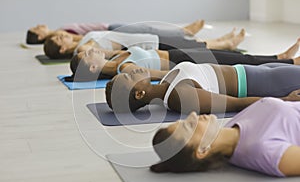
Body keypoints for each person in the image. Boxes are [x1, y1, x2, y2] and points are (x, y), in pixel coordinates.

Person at [105, 52, 300, 114]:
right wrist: (284, 100)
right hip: (265, 84)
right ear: (139, 94)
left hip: (257, 71)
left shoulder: (165, 82)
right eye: (130, 78)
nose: (133, 72)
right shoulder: (178, 97)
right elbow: (232, 104)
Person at [150, 97, 300, 177]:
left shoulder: (232, 126)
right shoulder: (262, 150)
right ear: (202, 150)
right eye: (190, 126)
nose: (193, 115)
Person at [68, 38, 300, 82]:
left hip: (181, 54)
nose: (91, 50)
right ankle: (290, 62)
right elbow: (160, 75)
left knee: (239, 57)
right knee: (243, 62)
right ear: (92, 66)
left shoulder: (118, 57)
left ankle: (282, 57)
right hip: (187, 62)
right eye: (87, 54)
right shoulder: (124, 67)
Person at [43, 23, 246, 59]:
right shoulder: (83, 47)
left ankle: (221, 40)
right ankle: (226, 44)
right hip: (147, 46)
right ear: (61, 49)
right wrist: (128, 54)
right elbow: (95, 55)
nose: (63, 34)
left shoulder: (82, 40)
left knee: (189, 43)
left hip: (146, 40)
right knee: (191, 46)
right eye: (60, 38)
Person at [26, 20, 204, 44]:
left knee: (148, 30)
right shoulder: (60, 35)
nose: (40, 24)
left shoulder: (59, 32)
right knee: (149, 30)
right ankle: (184, 32)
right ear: (40, 36)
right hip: (109, 31)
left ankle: (184, 32)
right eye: (36, 29)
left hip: (108, 28)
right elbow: (83, 37)